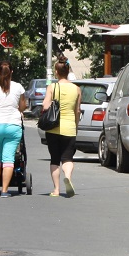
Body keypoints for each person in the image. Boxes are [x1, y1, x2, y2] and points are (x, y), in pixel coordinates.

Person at [0, 61, 26, 197]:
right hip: (13, 126)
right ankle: (5, 190)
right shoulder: (18, 87)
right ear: (11, 72)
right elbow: (23, 106)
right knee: (8, 158)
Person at [42, 54, 81, 197]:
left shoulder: (52, 87)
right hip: (70, 127)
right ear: (68, 70)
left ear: (56, 72)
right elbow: (77, 110)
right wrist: (76, 125)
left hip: (53, 128)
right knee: (68, 158)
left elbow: (45, 106)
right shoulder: (76, 89)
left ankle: (56, 189)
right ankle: (68, 178)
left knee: (55, 159)